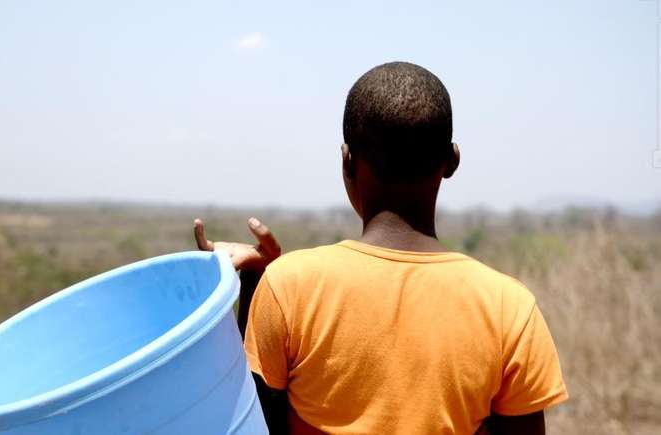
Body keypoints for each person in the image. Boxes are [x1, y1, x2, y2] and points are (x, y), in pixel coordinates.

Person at [192, 62, 568, 435]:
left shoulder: (289, 286)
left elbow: (251, 422)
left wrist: (254, 283)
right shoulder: (509, 308)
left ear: (347, 162)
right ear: (452, 161)